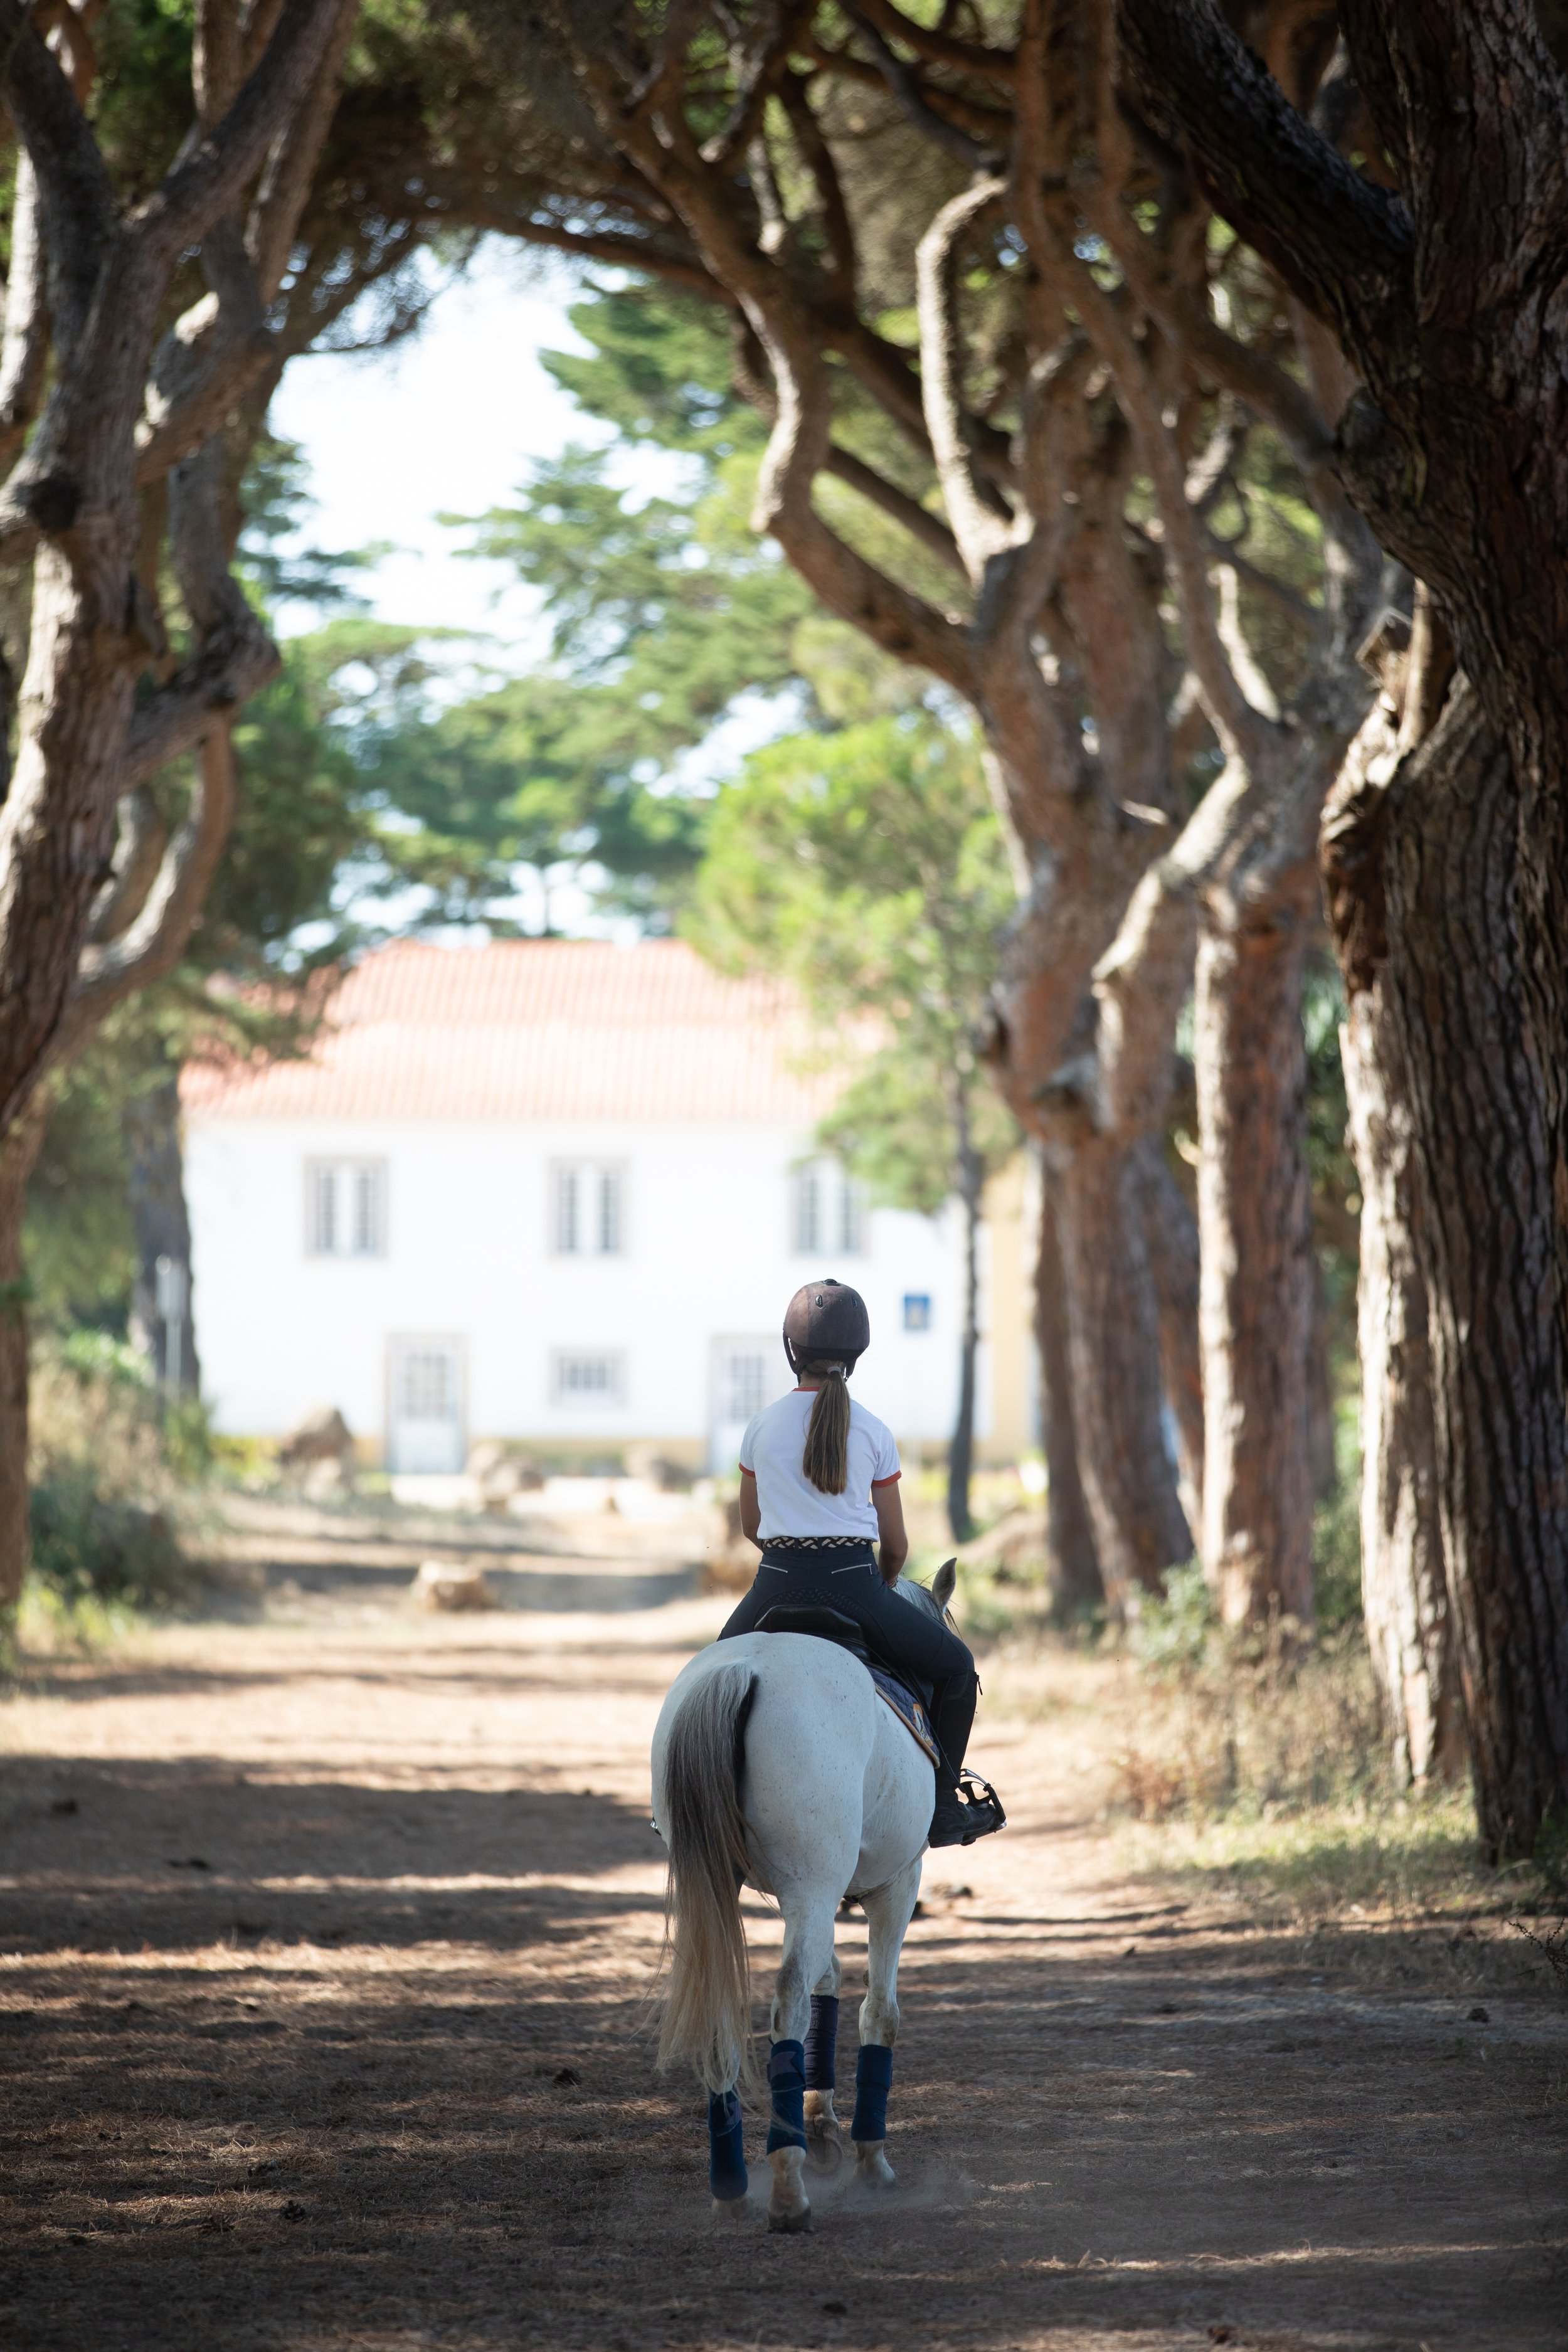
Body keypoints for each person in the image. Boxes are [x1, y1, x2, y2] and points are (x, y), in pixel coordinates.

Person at [717, 1278, 1004, 1848]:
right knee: (957, 1669)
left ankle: (682, 1807)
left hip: (773, 1588)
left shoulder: (760, 1427)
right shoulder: (874, 1430)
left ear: (790, 1349)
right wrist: (882, 1586)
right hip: (857, 1588)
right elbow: (895, 1546)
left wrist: (789, 1560)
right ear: (858, 1356)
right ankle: (944, 1806)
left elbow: (752, 1528)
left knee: (701, 1686)